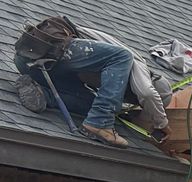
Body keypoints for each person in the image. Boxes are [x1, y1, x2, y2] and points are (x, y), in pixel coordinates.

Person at [12, 18, 169, 147]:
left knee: (92, 103)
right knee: (122, 56)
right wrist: (162, 123)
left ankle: (42, 94)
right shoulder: (138, 66)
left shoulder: (114, 78)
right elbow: (147, 93)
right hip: (52, 48)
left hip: (37, 67)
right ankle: (100, 122)